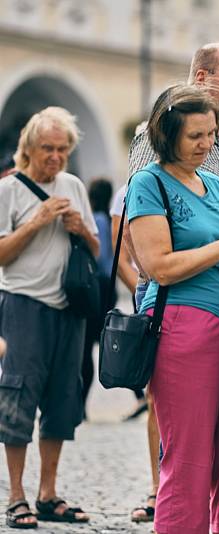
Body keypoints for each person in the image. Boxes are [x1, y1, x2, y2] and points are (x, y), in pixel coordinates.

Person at [124, 42, 219, 528]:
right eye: (195, 136)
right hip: (180, 324)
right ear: (166, 135)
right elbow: (159, 265)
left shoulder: (213, 184)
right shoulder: (149, 181)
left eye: (211, 135)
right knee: (188, 461)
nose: (206, 145)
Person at [0, 106, 99, 528]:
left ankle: (48, 492)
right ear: (29, 148)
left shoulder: (73, 185)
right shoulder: (9, 190)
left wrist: (80, 229)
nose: (55, 157)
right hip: (24, 305)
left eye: (62, 149)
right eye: (47, 149)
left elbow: (97, 250)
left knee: (62, 402)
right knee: (18, 401)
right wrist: (37, 222)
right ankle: (16, 495)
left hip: (68, 309)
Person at [81, 177, 117, 416]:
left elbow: (99, 257)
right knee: (104, 343)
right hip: (108, 288)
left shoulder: (98, 220)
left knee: (86, 349)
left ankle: (80, 405)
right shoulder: (108, 219)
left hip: (97, 287)